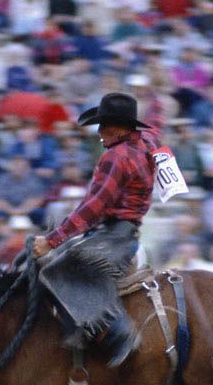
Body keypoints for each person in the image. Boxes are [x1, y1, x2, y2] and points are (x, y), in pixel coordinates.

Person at [31, 92, 159, 367]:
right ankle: (79, 328)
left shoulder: (115, 157)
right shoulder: (145, 145)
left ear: (116, 127)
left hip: (114, 235)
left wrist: (52, 240)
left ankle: (118, 331)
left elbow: (93, 207)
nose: (99, 132)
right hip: (125, 230)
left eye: (103, 125)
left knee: (56, 269)